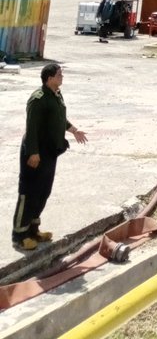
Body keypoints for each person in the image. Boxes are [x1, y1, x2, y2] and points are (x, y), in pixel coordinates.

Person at [12, 63, 88, 252]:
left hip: (50, 152)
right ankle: (19, 235)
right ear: (49, 78)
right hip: (36, 152)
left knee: (43, 191)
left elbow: (59, 118)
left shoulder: (56, 94)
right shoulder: (38, 99)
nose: (62, 77)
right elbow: (32, 128)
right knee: (28, 192)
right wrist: (33, 153)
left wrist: (73, 130)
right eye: (59, 74)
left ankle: (33, 230)